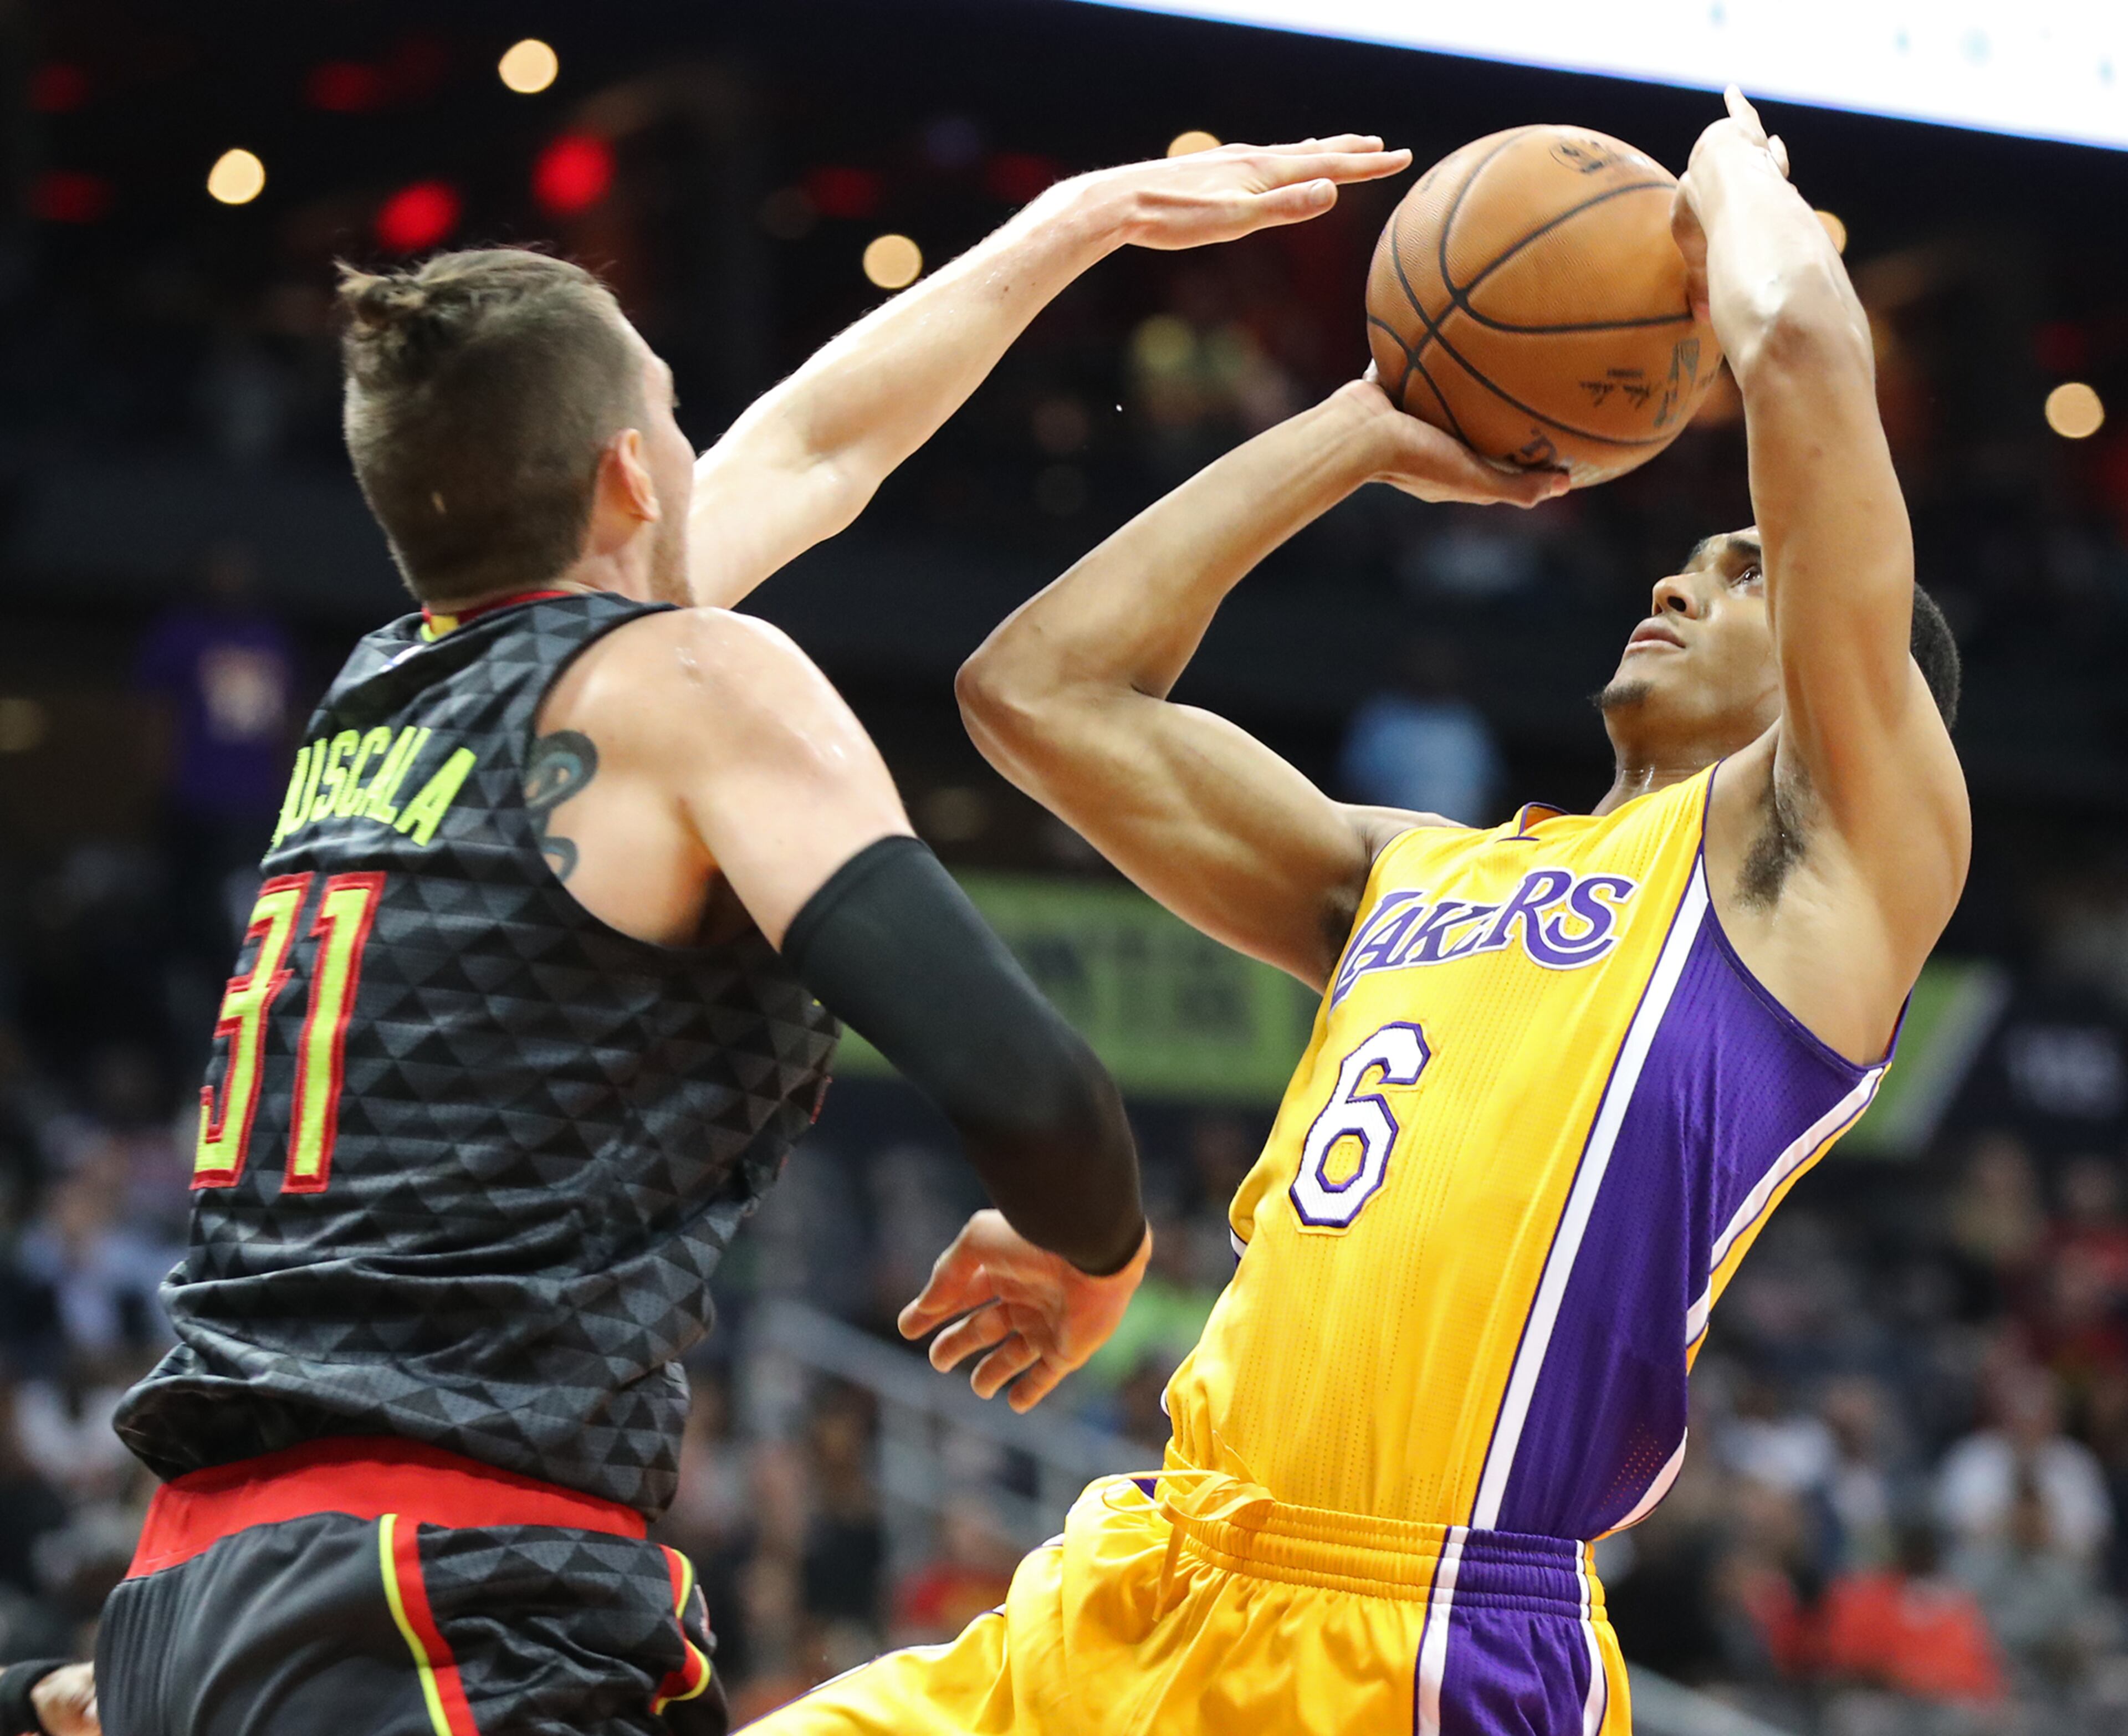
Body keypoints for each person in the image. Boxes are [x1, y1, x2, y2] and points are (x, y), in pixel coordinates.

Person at [20, 137, 1414, 1736]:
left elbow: (823, 443)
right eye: (675, 419)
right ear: (626, 474)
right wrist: (1094, 1248)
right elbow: (1032, 1088)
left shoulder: (393, 692)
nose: (702, 452)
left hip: (209, 1595)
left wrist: (1077, 222)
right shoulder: (694, 682)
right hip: (443, 1590)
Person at [755, 90, 1971, 1736]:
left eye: (1746, 569)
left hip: (1422, 1641)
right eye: (1691, 555)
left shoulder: (1820, 881)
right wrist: (1366, 428)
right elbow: (1041, 693)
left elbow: (1810, 361)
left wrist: (1733, 189)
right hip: (1144, 1577)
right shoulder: (1405, 872)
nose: (1682, 581)